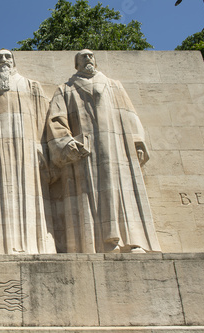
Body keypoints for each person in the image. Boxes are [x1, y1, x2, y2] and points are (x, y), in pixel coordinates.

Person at [47, 49, 161, 253]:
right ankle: (102, 244)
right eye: (83, 56)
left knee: (124, 190)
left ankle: (133, 241)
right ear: (76, 64)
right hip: (86, 151)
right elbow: (56, 120)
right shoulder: (65, 89)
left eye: (90, 55)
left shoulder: (114, 85)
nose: (88, 58)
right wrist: (67, 143)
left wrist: (137, 141)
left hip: (118, 147)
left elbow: (129, 113)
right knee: (90, 194)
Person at [0, 49, 56, 254]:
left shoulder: (31, 86)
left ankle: (32, 246)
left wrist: (41, 146)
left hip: (25, 150)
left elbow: (43, 118)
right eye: (0, 57)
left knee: (29, 194)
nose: (4, 60)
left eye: (8, 57)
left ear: (14, 61)